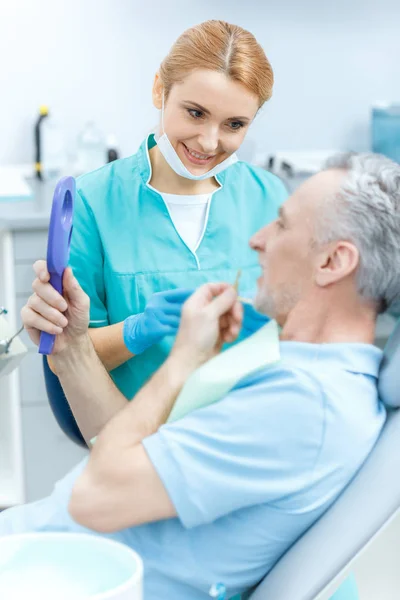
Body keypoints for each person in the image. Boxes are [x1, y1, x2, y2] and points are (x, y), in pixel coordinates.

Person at [5, 152, 399, 598]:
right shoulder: (291, 367)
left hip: (60, 573)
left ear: (333, 262)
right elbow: (130, 455)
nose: (257, 239)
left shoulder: (304, 405)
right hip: (51, 549)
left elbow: (94, 496)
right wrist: (72, 347)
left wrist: (181, 361)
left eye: (283, 225)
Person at [39, 19, 287, 401]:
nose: (208, 142)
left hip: (247, 427)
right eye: (195, 113)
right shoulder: (94, 201)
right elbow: (65, 358)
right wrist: (135, 331)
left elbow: (298, 328)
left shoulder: (270, 197)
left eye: (234, 124)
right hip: (138, 437)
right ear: (160, 89)